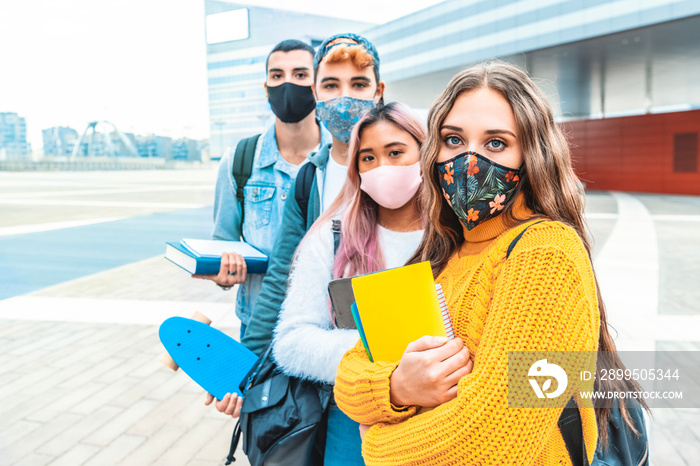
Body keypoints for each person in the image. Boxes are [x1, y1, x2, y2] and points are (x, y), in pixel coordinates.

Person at [334, 62, 647, 465]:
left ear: (531, 153)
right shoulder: (441, 255)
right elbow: (349, 374)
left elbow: (491, 441)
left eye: (496, 143)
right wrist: (396, 387)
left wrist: (375, 445)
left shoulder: (546, 253)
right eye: (453, 139)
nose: (470, 160)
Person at [272, 102, 428, 465]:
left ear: (426, 152)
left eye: (396, 152)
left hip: (447, 423)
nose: (382, 167)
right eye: (368, 158)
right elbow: (291, 343)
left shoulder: (462, 235)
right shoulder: (333, 237)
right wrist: (384, 356)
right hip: (355, 424)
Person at [241, 33, 385, 356]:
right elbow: (282, 276)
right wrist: (244, 367)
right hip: (333, 366)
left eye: (359, 84)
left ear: (380, 92)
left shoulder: (412, 169)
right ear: (315, 94)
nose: (345, 98)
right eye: (331, 85)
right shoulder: (310, 179)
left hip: (404, 359)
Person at [195, 39, 331, 341]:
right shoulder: (238, 161)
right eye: (277, 75)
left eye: (300, 74)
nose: (287, 84)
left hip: (326, 326)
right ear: (266, 85)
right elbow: (224, 245)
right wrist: (224, 275)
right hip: (259, 323)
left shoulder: (341, 158)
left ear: (319, 84)